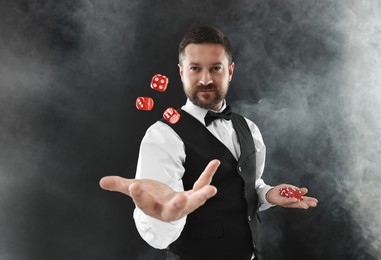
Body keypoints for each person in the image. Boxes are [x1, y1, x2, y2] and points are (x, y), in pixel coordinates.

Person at [100, 25, 318, 260]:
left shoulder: (249, 128)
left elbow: (247, 187)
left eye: (216, 68)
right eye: (195, 69)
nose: (205, 79)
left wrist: (268, 195)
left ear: (230, 71)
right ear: (182, 72)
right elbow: (161, 225)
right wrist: (164, 216)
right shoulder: (163, 136)